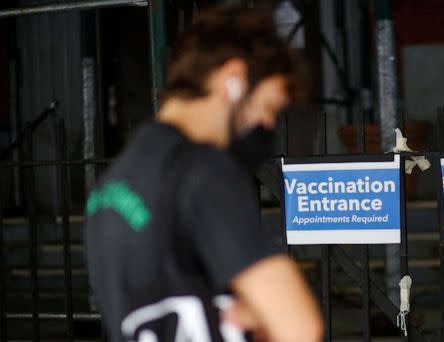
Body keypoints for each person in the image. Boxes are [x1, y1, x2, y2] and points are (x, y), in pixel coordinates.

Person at [84, 6, 323, 342]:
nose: (269, 125)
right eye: (268, 108)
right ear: (234, 80)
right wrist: (264, 320)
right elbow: (300, 328)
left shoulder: (110, 187)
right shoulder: (204, 172)